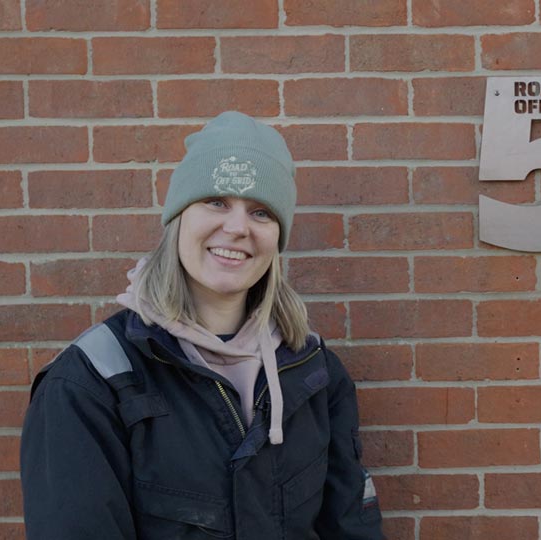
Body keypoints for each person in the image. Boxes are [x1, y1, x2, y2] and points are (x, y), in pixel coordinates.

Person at [20, 111, 385, 539]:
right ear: (179, 217)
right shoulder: (93, 382)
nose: (237, 227)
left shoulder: (314, 372)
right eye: (216, 201)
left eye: (261, 212)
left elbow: (351, 529)